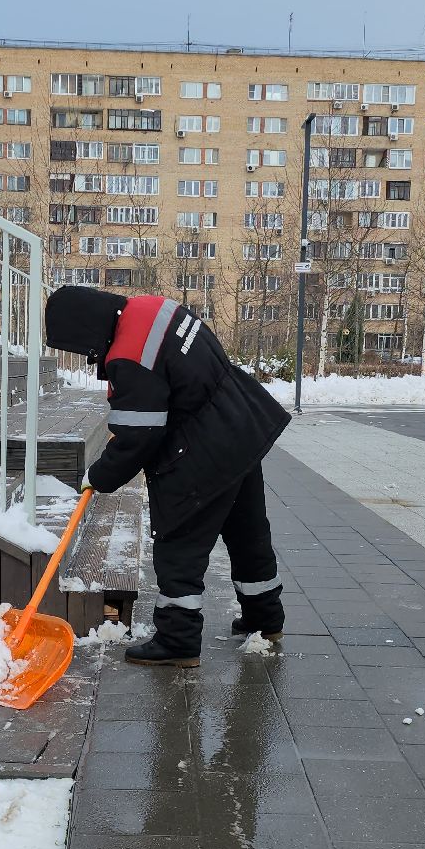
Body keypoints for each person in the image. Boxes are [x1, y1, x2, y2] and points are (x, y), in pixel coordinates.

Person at [44, 285, 292, 668]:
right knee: (248, 533)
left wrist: (100, 475)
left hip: (202, 447)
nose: (86, 354)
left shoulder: (128, 355)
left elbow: (139, 434)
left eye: (78, 346)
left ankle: (178, 640)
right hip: (241, 423)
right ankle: (265, 618)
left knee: (179, 543)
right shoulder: (150, 307)